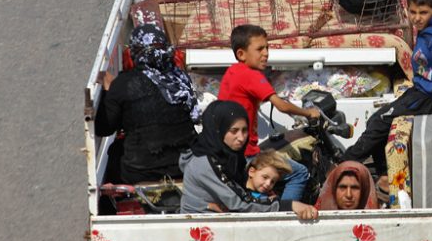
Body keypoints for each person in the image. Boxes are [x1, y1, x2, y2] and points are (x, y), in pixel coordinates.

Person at [342, 0, 432, 193]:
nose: (417, 18)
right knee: (378, 118)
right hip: (421, 90)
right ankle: (384, 175)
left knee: (378, 121)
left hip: (428, 97)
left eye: (423, 13)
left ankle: (345, 163)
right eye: (413, 12)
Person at [218, 24, 321, 201]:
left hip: (229, 153)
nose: (266, 53)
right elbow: (281, 105)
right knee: (300, 173)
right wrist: (308, 113)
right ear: (241, 54)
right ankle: (285, 213)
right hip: (248, 154)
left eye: (267, 47)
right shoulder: (251, 75)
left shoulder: (232, 72)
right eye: (260, 49)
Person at [179, 101, 318, 221]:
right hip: (201, 228)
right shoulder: (205, 163)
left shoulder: (229, 156)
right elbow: (238, 202)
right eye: (234, 131)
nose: (241, 138)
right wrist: (288, 205)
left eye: (245, 130)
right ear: (218, 131)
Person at [95, 24, 198, 183]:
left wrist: (109, 90)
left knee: (114, 152)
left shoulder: (124, 84)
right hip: (186, 166)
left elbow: (104, 127)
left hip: (140, 171)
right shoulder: (180, 79)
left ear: (135, 52)